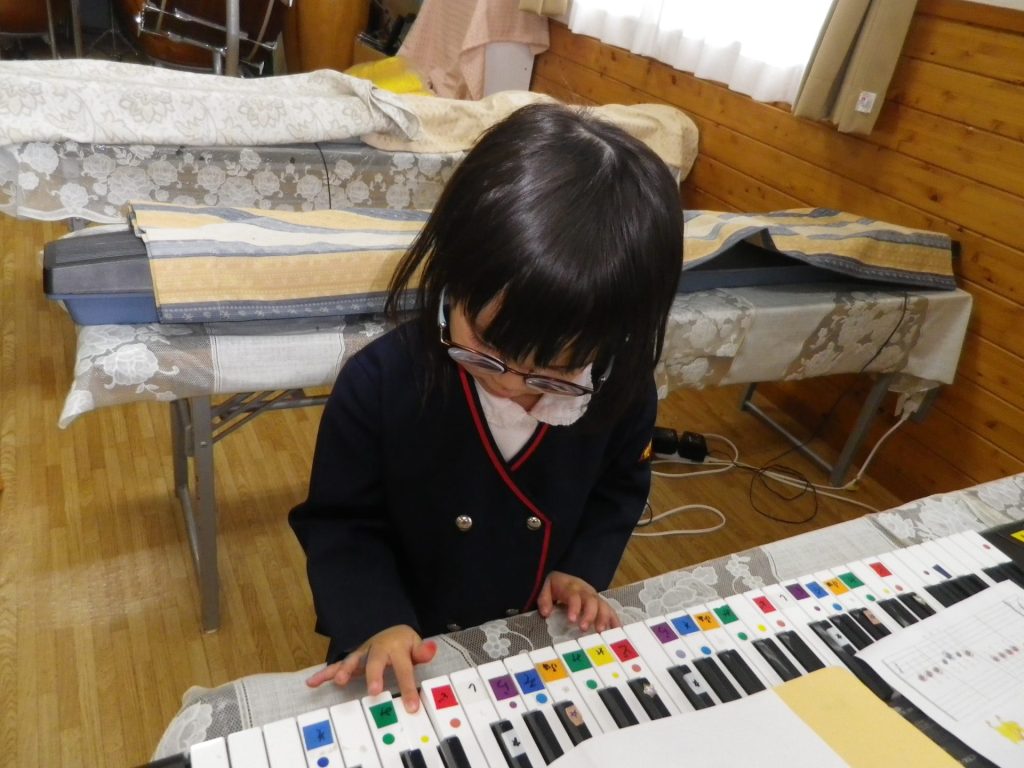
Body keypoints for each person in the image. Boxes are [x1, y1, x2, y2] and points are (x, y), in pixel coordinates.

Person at [290, 102, 683, 712]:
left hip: (527, 631)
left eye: (555, 374)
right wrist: (376, 619)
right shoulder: (379, 383)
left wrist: (582, 569)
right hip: (401, 638)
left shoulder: (620, 388)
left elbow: (619, 490)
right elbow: (341, 524)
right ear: (454, 273)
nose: (512, 386)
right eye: (487, 350)